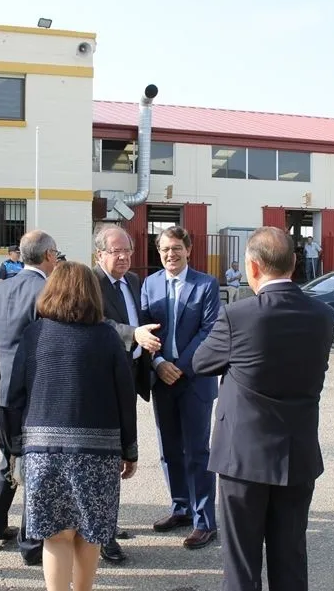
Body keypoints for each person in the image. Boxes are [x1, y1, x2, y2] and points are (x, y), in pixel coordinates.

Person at [193, 226, 334, 591]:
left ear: (253, 267)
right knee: (291, 557)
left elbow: (201, 362)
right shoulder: (322, 314)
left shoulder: (238, 315)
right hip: (297, 452)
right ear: (294, 263)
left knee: (242, 563)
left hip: (243, 456)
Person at [5, 261, 138, 591]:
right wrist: (129, 449)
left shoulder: (35, 334)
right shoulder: (108, 337)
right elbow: (125, 396)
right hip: (98, 453)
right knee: (90, 533)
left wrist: (15, 449)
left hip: (43, 452)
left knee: (55, 535)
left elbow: (15, 395)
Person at [140, 225, 220, 550]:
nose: (170, 254)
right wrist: (159, 364)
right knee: (170, 450)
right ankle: (181, 508)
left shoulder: (206, 284)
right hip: (162, 379)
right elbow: (144, 328)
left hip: (195, 380)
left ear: (188, 250)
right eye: (164, 249)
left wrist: (179, 367)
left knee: (197, 452)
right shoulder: (150, 284)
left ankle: (205, 522)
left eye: (176, 248)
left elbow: (209, 330)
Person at [0, 230, 60, 566]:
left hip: (2, 390)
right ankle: (31, 543)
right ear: (48, 255)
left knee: (10, 459)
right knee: (35, 466)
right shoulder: (47, 290)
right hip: (34, 391)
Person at [92, 225, 163, 563]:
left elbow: (143, 319)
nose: (123, 257)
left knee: (122, 452)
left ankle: (108, 520)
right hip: (103, 383)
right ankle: (103, 535)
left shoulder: (133, 281)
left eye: (128, 251)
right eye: (116, 251)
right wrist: (133, 333)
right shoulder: (91, 282)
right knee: (106, 457)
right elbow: (98, 323)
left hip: (131, 376)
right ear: (99, 255)